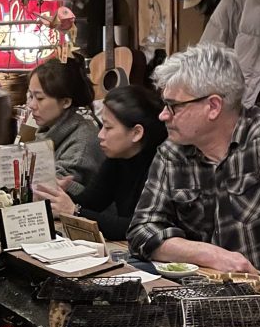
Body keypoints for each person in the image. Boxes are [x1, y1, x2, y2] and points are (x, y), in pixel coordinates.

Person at [127, 43, 260, 302]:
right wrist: (209, 254)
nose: (163, 115)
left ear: (213, 106)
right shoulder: (173, 150)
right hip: (205, 298)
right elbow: (142, 230)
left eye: (173, 106)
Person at [33, 85, 167, 240]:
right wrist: (58, 195)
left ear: (136, 133)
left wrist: (74, 211)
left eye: (108, 128)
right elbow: (92, 202)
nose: (100, 135)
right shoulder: (117, 158)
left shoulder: (161, 165)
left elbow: (135, 227)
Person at [0, 57, 104, 196]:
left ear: (66, 102)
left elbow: (50, 192)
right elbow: (19, 187)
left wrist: (3, 162)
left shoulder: (82, 141)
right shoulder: (44, 128)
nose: (31, 105)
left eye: (39, 98)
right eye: (30, 96)